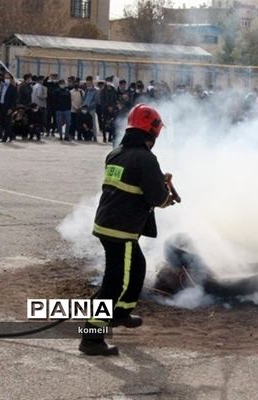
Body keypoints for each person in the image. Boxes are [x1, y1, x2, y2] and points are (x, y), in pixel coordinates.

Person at [78, 104, 178, 356]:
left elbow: (132, 185)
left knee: (137, 268)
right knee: (113, 284)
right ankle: (91, 337)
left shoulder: (117, 153)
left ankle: (120, 313)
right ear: (152, 132)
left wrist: (157, 181)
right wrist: (167, 195)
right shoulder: (146, 159)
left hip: (107, 224)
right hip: (120, 230)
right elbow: (156, 198)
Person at [0, 72, 18, 143]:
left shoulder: (13, 88)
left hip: (8, 107)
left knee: (7, 122)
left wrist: (11, 109)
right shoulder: (2, 86)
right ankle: (11, 135)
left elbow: (14, 100)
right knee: (2, 122)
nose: (6, 79)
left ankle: (4, 138)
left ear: (11, 79)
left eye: (8, 78)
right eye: (5, 78)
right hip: (1, 106)